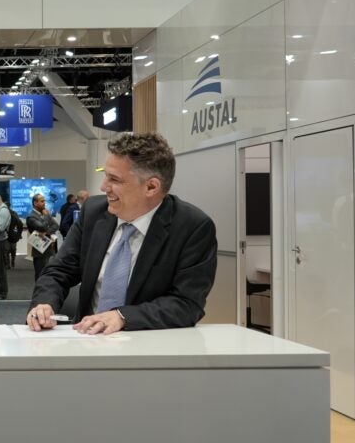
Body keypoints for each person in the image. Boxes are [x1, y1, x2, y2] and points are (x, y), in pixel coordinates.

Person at [27, 131, 217, 335]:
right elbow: (59, 271)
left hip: (149, 341)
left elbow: (186, 304)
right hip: (86, 339)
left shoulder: (192, 227)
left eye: (114, 179)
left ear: (151, 187)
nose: (103, 187)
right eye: (105, 175)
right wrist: (44, 303)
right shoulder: (93, 213)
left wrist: (122, 317)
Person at [26, 193, 59, 280]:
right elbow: (42, 227)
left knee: (51, 273)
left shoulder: (45, 213)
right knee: (40, 274)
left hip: (49, 249)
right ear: (35, 203)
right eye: (42, 201)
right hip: (39, 250)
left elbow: (56, 225)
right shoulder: (31, 217)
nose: (44, 203)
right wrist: (46, 216)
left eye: (44, 201)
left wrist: (46, 232)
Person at [0, 194, 11, 300]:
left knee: (1, 268)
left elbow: (0, 227)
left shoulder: (3, 211)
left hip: (1, 242)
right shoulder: (0, 209)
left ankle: (2, 292)